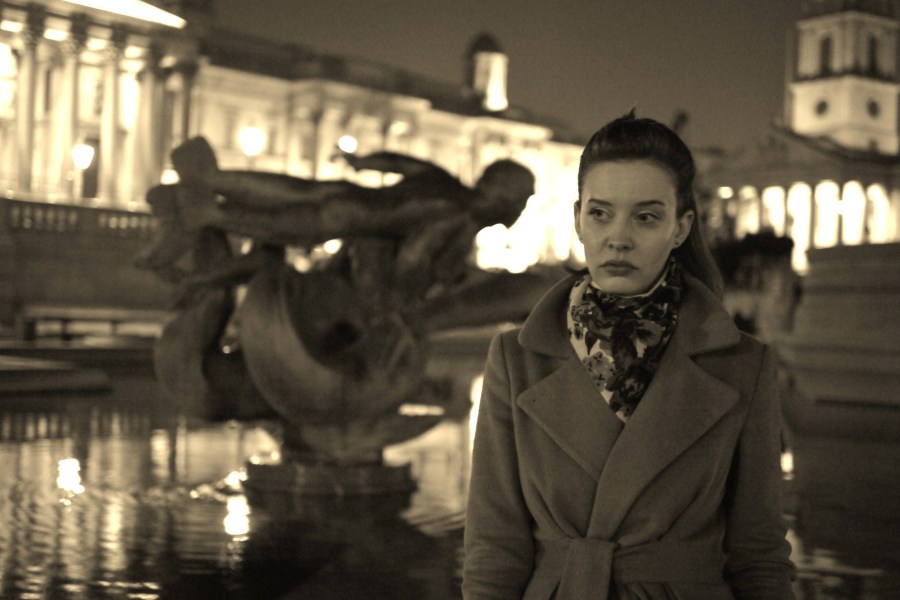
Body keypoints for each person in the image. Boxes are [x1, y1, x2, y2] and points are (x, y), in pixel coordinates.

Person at [462, 112, 795, 600]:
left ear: (680, 228)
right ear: (578, 219)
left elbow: (760, 555)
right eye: (601, 213)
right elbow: (493, 549)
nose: (618, 236)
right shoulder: (516, 360)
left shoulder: (744, 365)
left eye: (646, 217)